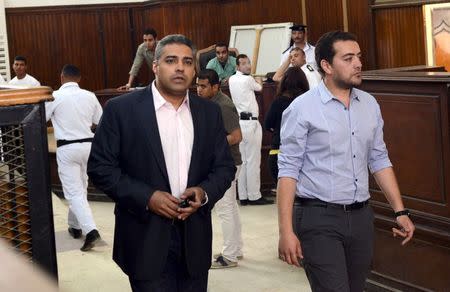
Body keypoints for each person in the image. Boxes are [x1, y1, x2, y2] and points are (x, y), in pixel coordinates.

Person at [87, 34, 236, 291]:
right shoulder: (121, 110)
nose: (180, 67)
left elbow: (224, 167)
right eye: (171, 60)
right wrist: (147, 197)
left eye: (188, 62)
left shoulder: (209, 112)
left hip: (195, 240)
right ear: (155, 66)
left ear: (194, 69)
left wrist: (205, 192)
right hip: (144, 237)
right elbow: (100, 168)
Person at [277, 31, 415, 292]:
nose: (358, 64)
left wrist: (400, 211)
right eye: (348, 58)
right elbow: (288, 170)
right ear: (326, 66)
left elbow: (379, 159)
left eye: (359, 57)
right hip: (317, 218)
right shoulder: (301, 108)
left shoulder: (370, 105)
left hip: (361, 217)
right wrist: (285, 231)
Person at [45, 64, 103, 251]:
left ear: (62, 77)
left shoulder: (55, 96)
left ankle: (91, 230)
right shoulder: (90, 95)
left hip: (67, 148)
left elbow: (41, 118)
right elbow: (101, 121)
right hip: (89, 146)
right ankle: (75, 226)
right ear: (79, 78)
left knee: (74, 192)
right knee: (81, 187)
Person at [196, 69, 244, 269]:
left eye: (203, 86)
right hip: (224, 163)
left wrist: (210, 144)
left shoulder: (223, 106)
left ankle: (230, 257)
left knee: (224, 209)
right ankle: (236, 250)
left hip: (229, 163)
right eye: (197, 85)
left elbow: (236, 136)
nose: (198, 90)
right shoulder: (211, 103)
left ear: (215, 87)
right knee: (230, 208)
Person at [229, 54, 273, 206]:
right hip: (251, 122)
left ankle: (243, 196)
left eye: (248, 63)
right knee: (253, 160)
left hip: (239, 123)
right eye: (244, 63)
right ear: (237, 66)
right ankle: (254, 195)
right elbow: (260, 88)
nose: (248, 66)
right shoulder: (248, 79)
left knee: (243, 161)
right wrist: (258, 79)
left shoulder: (232, 79)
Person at [264, 66, 309, 183]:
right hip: (305, 155)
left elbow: (267, 125)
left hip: (279, 152)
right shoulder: (308, 101)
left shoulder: (278, 102)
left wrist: (279, 128)